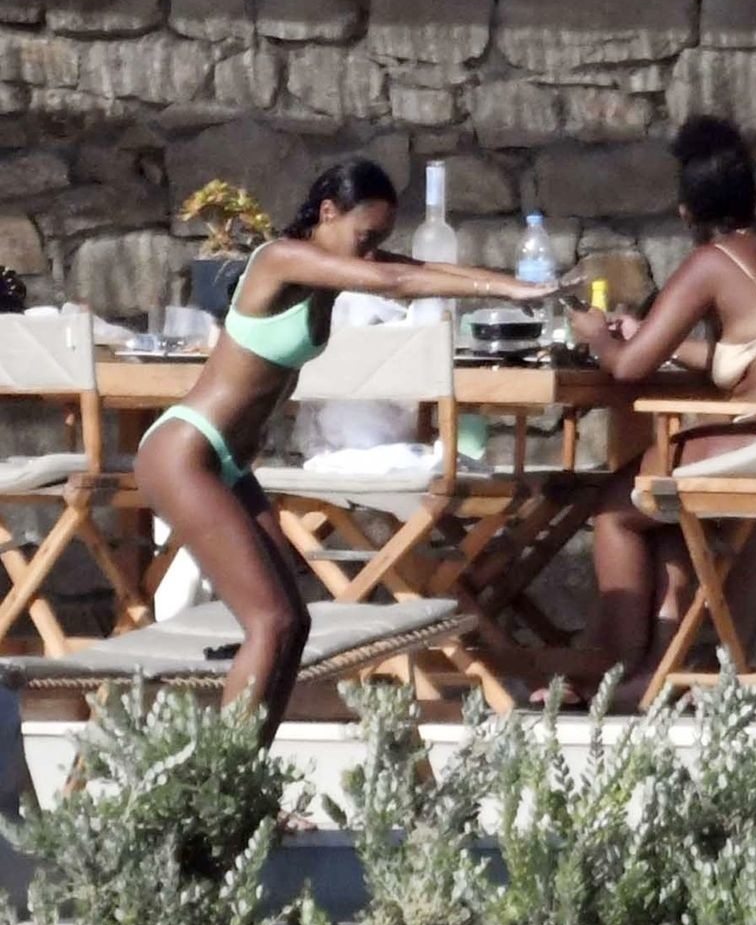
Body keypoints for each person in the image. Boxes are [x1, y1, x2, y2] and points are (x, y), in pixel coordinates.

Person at [133, 159, 554, 745]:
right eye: (365, 236)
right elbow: (394, 282)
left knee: (293, 625)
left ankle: (248, 775)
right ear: (328, 212)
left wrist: (517, 286)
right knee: (269, 620)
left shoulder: (332, 267)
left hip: (228, 464)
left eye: (380, 239)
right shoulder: (279, 258)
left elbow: (421, 270)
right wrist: (509, 288)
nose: (371, 251)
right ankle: (221, 778)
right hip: (185, 451)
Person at [549, 117, 756, 708]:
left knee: (618, 507)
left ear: (686, 212)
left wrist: (598, 335)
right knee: (706, 513)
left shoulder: (711, 261)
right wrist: (662, 339)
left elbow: (627, 370)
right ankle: (707, 667)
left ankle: (615, 672)